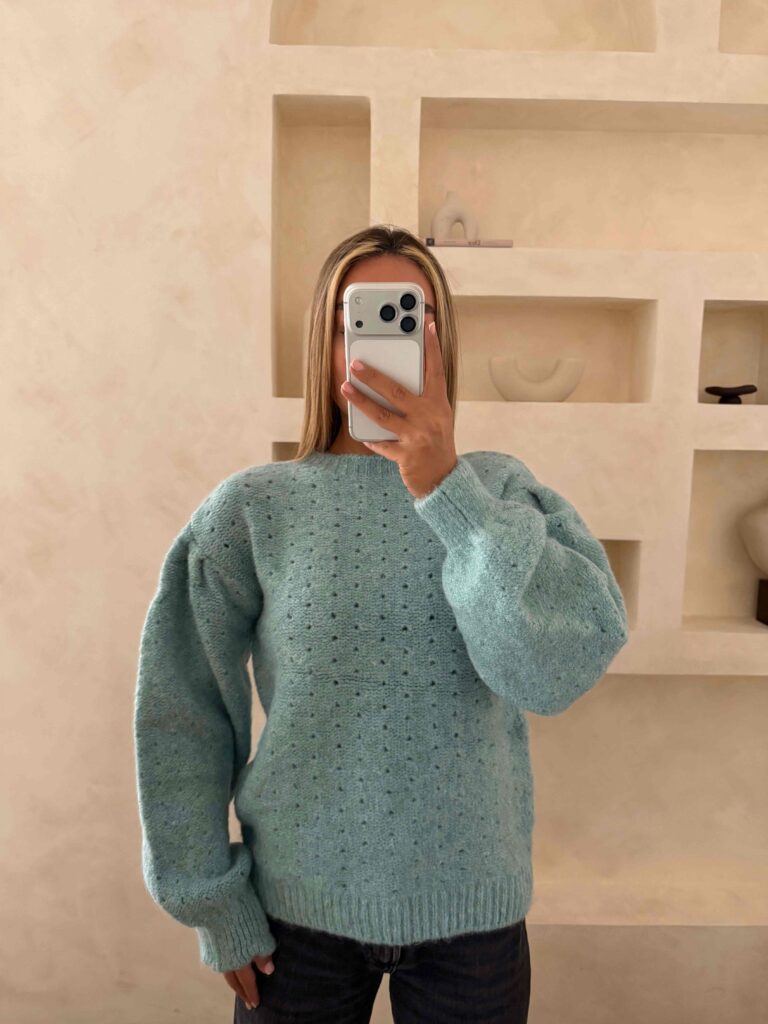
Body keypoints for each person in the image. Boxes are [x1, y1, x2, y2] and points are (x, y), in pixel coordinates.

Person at [133, 224, 630, 1022]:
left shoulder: (502, 494)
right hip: (293, 919)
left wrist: (448, 491)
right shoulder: (254, 510)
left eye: (411, 317)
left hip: (473, 920)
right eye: (358, 321)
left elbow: (551, 675)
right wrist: (211, 902)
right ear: (325, 345)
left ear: (441, 345)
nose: (381, 346)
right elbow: (181, 710)